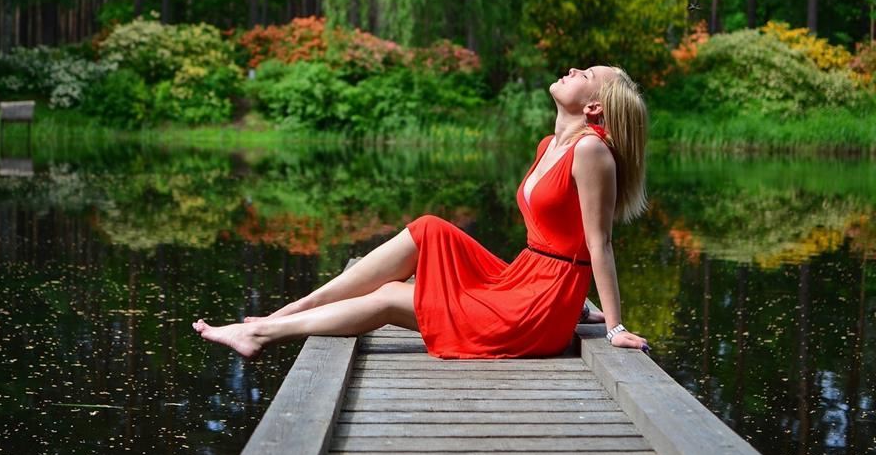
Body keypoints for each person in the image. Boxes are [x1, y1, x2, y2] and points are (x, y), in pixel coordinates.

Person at [193, 65, 650, 358]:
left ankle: (261, 335)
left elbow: (599, 244)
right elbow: (560, 237)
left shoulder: (593, 153)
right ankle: (297, 306)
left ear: (594, 106)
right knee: (429, 228)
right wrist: (577, 307)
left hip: (534, 309)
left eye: (587, 73)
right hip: (524, 279)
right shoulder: (549, 145)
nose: (573, 68)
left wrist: (614, 327)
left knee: (392, 297)